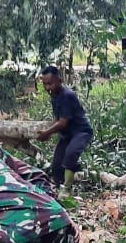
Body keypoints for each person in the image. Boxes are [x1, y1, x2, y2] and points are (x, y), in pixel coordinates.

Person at [36, 65, 94, 193]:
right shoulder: (54, 95)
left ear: (59, 80)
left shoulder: (67, 95)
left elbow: (62, 122)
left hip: (81, 132)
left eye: (50, 84)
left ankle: (67, 189)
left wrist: (47, 132)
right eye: (45, 84)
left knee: (70, 154)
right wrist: (47, 131)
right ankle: (59, 187)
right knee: (56, 166)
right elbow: (57, 118)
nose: (47, 87)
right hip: (67, 134)